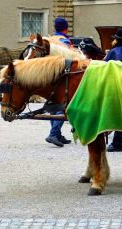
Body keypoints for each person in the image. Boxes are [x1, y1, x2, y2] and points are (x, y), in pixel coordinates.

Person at [44, 17, 72, 147]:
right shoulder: (64, 41)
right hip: (61, 76)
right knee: (63, 105)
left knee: (53, 105)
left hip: (48, 76)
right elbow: (70, 59)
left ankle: (58, 134)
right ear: (66, 28)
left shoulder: (48, 40)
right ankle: (53, 134)